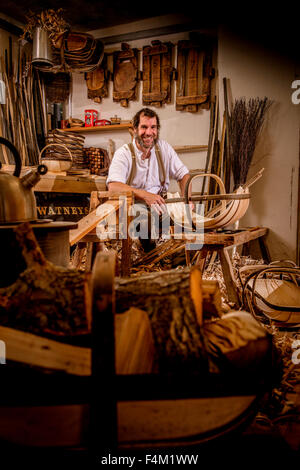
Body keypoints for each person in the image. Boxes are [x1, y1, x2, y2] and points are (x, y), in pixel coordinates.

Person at [106, 107, 190, 250]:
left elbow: (184, 175)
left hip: (160, 204)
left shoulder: (164, 148)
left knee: (190, 224)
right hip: (133, 206)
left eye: (153, 127)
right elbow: (113, 186)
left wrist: (186, 199)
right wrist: (145, 195)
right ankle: (150, 254)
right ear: (134, 129)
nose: (149, 132)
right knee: (144, 218)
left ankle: (179, 257)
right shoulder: (124, 153)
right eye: (144, 127)